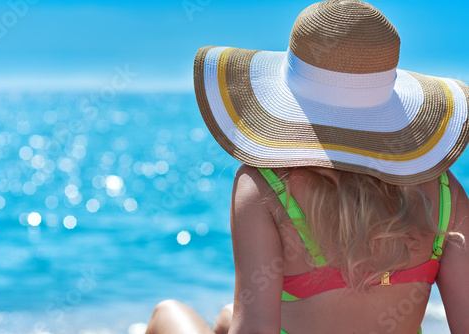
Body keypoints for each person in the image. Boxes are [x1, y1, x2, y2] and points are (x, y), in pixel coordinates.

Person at [147, 0, 469, 333]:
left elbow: (256, 328)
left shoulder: (265, 187)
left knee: (167, 313)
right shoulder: (444, 191)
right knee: (226, 317)